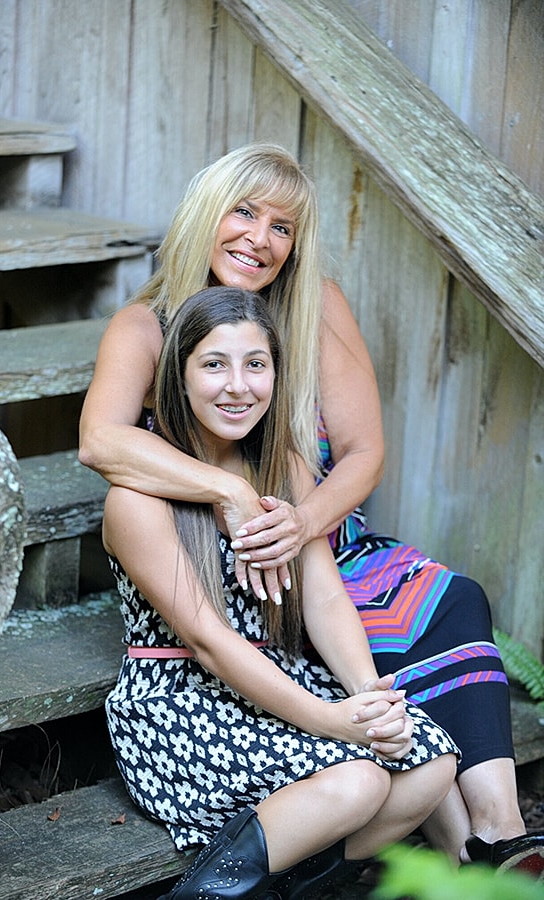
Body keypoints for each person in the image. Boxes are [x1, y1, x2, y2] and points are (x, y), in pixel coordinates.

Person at [79, 142, 544, 876]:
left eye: (282, 227)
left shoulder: (311, 311)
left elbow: (359, 454)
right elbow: (101, 440)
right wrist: (231, 494)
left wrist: (301, 519)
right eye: (242, 212)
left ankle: (492, 835)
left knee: (448, 604)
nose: (258, 240)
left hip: (315, 531)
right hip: (220, 560)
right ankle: (455, 851)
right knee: (368, 735)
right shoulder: (147, 331)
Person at [102, 285, 458, 898]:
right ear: (176, 378)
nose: (238, 386)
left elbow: (323, 599)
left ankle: (278, 887)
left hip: (279, 678)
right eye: (214, 364)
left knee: (431, 766)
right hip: (182, 705)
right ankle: (205, 894)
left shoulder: (285, 468)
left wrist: (367, 696)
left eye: (256, 364)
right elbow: (207, 642)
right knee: (361, 782)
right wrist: (331, 721)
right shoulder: (137, 497)